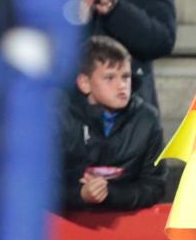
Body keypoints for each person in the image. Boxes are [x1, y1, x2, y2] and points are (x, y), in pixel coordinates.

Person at [59, 35, 165, 211]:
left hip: (124, 231)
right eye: (109, 78)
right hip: (64, 229)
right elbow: (38, 185)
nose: (121, 86)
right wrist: (80, 194)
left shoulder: (147, 119)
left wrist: (111, 194)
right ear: (85, 83)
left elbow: (155, 186)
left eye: (125, 77)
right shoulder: (58, 118)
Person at [74, 0, 176, 107]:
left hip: (132, 115)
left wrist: (116, 10)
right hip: (63, 112)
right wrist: (77, 12)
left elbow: (163, 39)